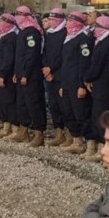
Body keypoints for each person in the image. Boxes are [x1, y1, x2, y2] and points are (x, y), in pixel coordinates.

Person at [9, 6, 46, 146]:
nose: (17, 17)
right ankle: (23, 131)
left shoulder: (32, 32)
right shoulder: (22, 32)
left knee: (34, 104)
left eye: (19, 14)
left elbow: (31, 56)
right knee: (22, 103)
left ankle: (39, 133)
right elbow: (19, 56)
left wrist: (25, 74)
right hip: (20, 74)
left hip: (31, 75)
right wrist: (16, 73)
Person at [59, 11, 94, 154]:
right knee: (69, 112)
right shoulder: (68, 37)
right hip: (67, 82)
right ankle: (77, 141)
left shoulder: (83, 39)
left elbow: (84, 63)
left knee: (82, 114)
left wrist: (81, 85)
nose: (68, 24)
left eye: (71, 21)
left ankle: (90, 144)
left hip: (76, 83)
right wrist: (62, 85)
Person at [82, 15, 109, 162]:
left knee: (101, 117)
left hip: (103, 85)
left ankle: (103, 150)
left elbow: (97, 66)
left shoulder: (106, 43)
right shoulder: (101, 42)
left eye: (98, 27)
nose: (95, 31)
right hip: (99, 85)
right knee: (96, 115)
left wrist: (87, 78)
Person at [42, 9, 68, 146]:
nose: (50, 22)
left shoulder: (64, 33)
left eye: (53, 19)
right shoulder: (50, 34)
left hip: (60, 74)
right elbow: (45, 52)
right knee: (53, 105)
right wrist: (46, 68)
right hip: (49, 75)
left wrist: (51, 69)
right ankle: (59, 133)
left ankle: (69, 135)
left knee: (63, 105)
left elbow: (61, 55)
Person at [0, 13, 18, 138]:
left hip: (6, 76)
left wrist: (2, 74)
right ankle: (6, 126)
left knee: (9, 102)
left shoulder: (11, 38)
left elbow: (8, 59)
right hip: (0, 74)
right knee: (2, 101)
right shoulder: (4, 37)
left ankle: (14, 129)